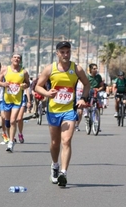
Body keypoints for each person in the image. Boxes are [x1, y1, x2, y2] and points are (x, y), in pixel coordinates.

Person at [35, 41, 90, 187]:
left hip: (68, 110)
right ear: (57, 53)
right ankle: (55, 165)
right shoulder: (50, 69)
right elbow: (37, 87)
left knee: (66, 141)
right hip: (53, 110)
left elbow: (87, 84)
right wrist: (47, 93)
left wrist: (84, 99)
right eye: (62, 52)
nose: (66, 55)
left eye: (68, 52)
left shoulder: (76, 69)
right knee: (55, 143)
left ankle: (63, 173)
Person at [0, 53, 30, 152]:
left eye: (18, 58)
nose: (16, 59)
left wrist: (25, 85)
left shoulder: (24, 72)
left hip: (17, 100)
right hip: (7, 99)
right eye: (15, 57)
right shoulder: (5, 70)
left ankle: (11, 142)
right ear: (11, 59)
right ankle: (10, 137)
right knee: (7, 122)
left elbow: (28, 83)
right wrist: (4, 84)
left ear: (20, 60)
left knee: (12, 121)